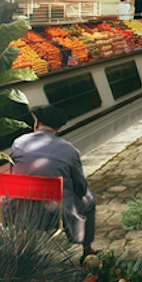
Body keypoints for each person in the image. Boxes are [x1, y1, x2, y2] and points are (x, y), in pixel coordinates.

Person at [9, 105, 97, 262]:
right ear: (58, 128)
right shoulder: (69, 150)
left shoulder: (18, 143)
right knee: (90, 199)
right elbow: (80, 188)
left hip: (20, 212)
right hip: (54, 216)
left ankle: (20, 253)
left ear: (37, 123)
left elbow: (13, 173)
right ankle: (87, 250)